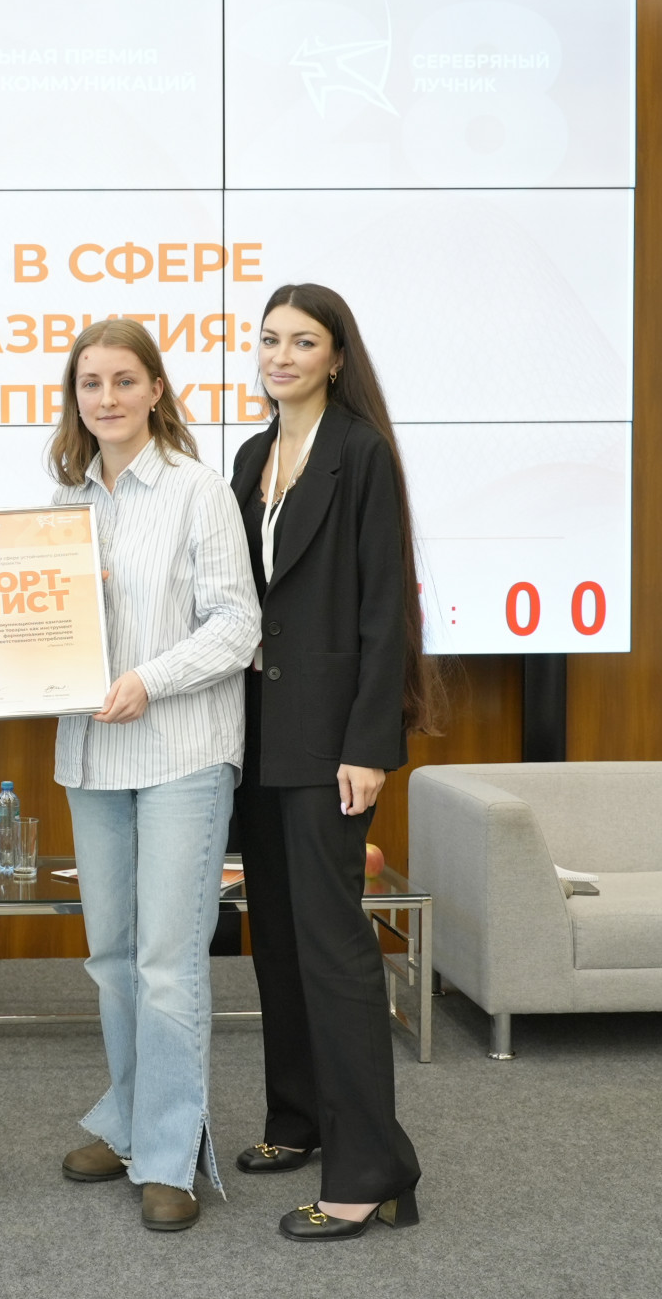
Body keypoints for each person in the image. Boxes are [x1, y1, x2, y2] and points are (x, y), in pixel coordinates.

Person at [229, 282, 443, 1240]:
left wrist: (370, 744)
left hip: (330, 745)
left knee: (333, 945)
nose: (281, 355)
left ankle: (371, 1168)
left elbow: (382, 607)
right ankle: (298, 1118)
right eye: (269, 339)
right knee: (275, 935)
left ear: (337, 357)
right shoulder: (251, 457)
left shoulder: (360, 453)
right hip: (256, 735)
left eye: (302, 341)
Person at [48, 318, 261, 1233]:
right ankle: (133, 1118)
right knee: (111, 957)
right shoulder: (63, 502)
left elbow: (237, 624)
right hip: (93, 754)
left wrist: (148, 679)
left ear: (156, 389)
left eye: (124, 380)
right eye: (90, 383)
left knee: (168, 964)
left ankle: (171, 1153)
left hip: (182, 749)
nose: (107, 398)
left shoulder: (197, 490)